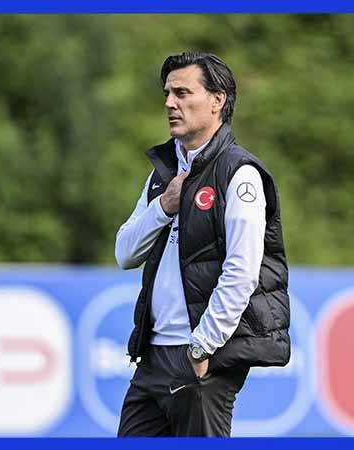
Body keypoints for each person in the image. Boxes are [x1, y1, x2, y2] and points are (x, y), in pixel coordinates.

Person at [114, 51, 290, 437]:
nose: (169, 103)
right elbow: (124, 252)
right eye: (167, 93)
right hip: (152, 356)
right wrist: (164, 206)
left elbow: (241, 272)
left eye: (182, 93)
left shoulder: (239, 173)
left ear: (217, 100)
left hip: (200, 356)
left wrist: (201, 347)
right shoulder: (163, 174)